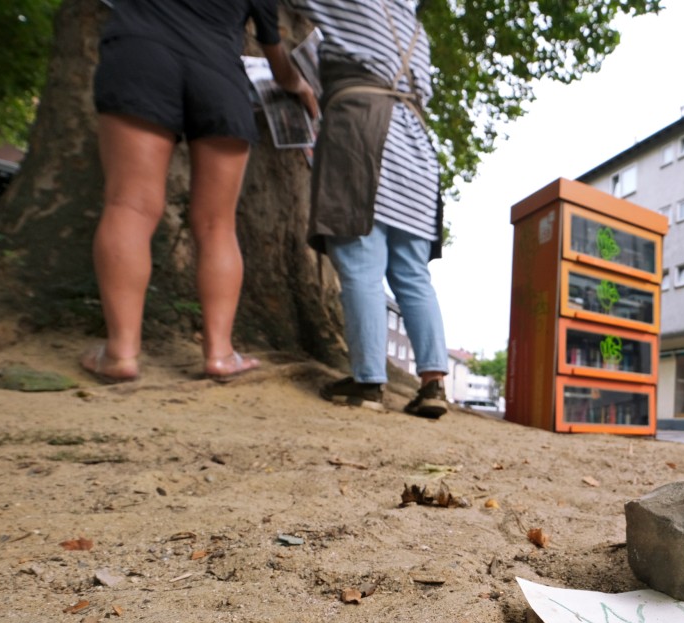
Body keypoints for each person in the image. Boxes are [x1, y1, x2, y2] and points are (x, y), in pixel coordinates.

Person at [82, 0, 317, 383]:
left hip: (140, 53)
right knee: (217, 226)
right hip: (220, 76)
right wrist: (299, 84)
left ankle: (121, 353)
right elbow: (276, 56)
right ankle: (220, 354)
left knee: (131, 206)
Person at [284, 0, 450, 418]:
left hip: (365, 136)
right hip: (418, 155)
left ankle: (367, 382)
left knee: (360, 261)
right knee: (413, 274)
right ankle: (432, 386)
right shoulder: (417, 31)